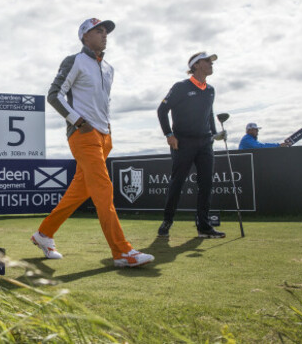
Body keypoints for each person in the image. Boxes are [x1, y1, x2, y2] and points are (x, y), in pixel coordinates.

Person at [31, 18, 154, 268]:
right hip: (83, 135)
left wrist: (107, 130)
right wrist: (78, 122)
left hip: (104, 136)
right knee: (103, 189)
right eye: (99, 30)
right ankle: (122, 252)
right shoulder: (74, 60)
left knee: (80, 191)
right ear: (85, 36)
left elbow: (102, 102)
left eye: (106, 31)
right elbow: (54, 95)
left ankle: (43, 234)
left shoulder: (109, 67)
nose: (104, 34)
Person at [156, 52, 227, 239]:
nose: (211, 64)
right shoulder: (181, 87)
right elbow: (162, 110)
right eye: (207, 61)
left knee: (206, 184)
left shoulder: (210, 89)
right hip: (182, 142)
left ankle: (204, 226)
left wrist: (214, 134)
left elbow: (208, 114)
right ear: (196, 65)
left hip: (205, 143)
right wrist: (169, 135)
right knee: (177, 183)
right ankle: (167, 221)